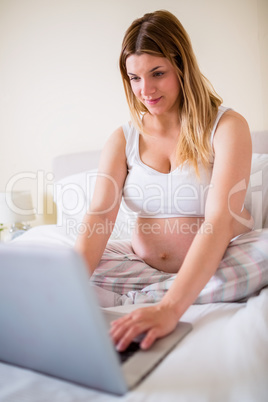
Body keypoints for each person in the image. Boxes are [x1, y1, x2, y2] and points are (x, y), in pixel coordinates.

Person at [75, 10, 254, 351]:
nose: (146, 90)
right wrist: (66, 289)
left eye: (157, 73)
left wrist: (170, 309)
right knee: (70, 266)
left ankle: (166, 296)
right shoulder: (122, 138)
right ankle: (169, 291)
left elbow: (219, 220)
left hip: (223, 260)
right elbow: (100, 216)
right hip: (143, 267)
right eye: (135, 78)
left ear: (182, 66)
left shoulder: (227, 127)